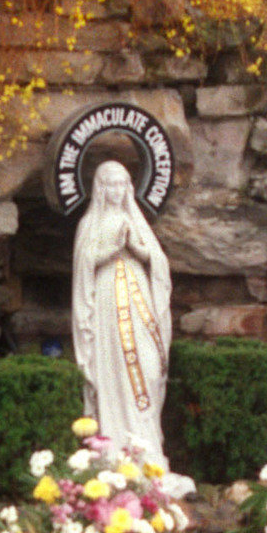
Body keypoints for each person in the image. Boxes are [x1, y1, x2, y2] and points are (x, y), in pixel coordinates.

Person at [71, 158, 173, 458]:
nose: (117, 191)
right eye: (111, 185)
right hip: (107, 303)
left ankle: (147, 442)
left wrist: (138, 249)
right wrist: (110, 251)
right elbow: (83, 264)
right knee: (114, 365)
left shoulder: (136, 220)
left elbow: (158, 260)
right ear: (101, 188)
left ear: (129, 187)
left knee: (150, 364)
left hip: (138, 296)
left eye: (121, 184)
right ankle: (115, 444)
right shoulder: (89, 224)